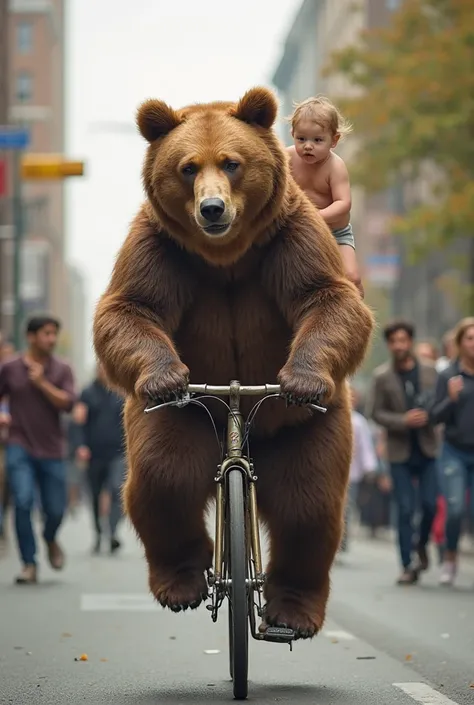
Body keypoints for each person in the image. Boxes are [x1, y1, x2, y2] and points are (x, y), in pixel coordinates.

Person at [0, 315, 75, 584]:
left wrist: (42, 383)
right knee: (22, 501)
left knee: (55, 510)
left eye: (54, 333)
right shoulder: (9, 368)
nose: (52, 339)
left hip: (52, 449)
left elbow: (68, 404)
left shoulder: (62, 369)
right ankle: (29, 564)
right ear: (31, 337)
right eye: (46, 333)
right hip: (19, 444)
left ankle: (50, 537)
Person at [367, 319, 439, 585]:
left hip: (429, 447)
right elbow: (374, 412)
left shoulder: (431, 372)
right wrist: (402, 420)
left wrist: (431, 415)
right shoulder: (382, 376)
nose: (399, 345)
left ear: (410, 342)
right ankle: (407, 563)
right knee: (406, 509)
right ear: (389, 345)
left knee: (430, 505)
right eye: (394, 341)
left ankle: (421, 544)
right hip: (399, 452)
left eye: (403, 340)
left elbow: (441, 405)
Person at [286, 95, 363, 295]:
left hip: (336, 233)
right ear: (292, 134)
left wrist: (314, 217)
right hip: (299, 231)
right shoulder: (286, 158)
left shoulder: (335, 167)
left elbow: (343, 203)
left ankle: (357, 311)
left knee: (351, 277)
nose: (308, 146)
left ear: (334, 140)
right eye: (301, 139)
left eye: (317, 140)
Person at [431, 317, 474, 586]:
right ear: (460, 343)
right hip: (454, 451)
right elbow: (433, 416)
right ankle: (450, 557)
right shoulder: (448, 375)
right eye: (469, 338)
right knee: (455, 508)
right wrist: (451, 399)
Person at [73, 362, 126, 554]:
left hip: (118, 453)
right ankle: (98, 533)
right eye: (101, 368)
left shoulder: (121, 392)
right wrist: (80, 446)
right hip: (94, 454)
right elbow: (78, 424)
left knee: (116, 490)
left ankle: (112, 533)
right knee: (95, 495)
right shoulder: (87, 394)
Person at [340, 386, 378, 552]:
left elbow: (365, 447)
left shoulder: (358, 422)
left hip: (352, 474)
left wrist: (370, 467)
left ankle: (343, 538)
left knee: (347, 506)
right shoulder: (332, 416)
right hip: (335, 474)